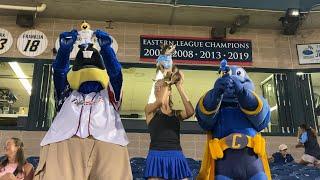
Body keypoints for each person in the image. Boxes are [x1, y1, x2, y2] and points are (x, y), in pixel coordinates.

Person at [34, 29, 132, 179]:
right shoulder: (67, 92)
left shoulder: (109, 94)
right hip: (65, 143)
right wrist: (64, 50)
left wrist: (107, 50)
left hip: (107, 141)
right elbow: (59, 71)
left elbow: (116, 74)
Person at [144, 71, 194, 180]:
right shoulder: (149, 111)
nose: (157, 89)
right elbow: (160, 101)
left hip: (176, 156)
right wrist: (169, 82)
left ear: (169, 91)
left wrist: (179, 86)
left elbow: (190, 111)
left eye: (160, 87)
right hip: (156, 156)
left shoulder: (176, 114)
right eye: (155, 87)